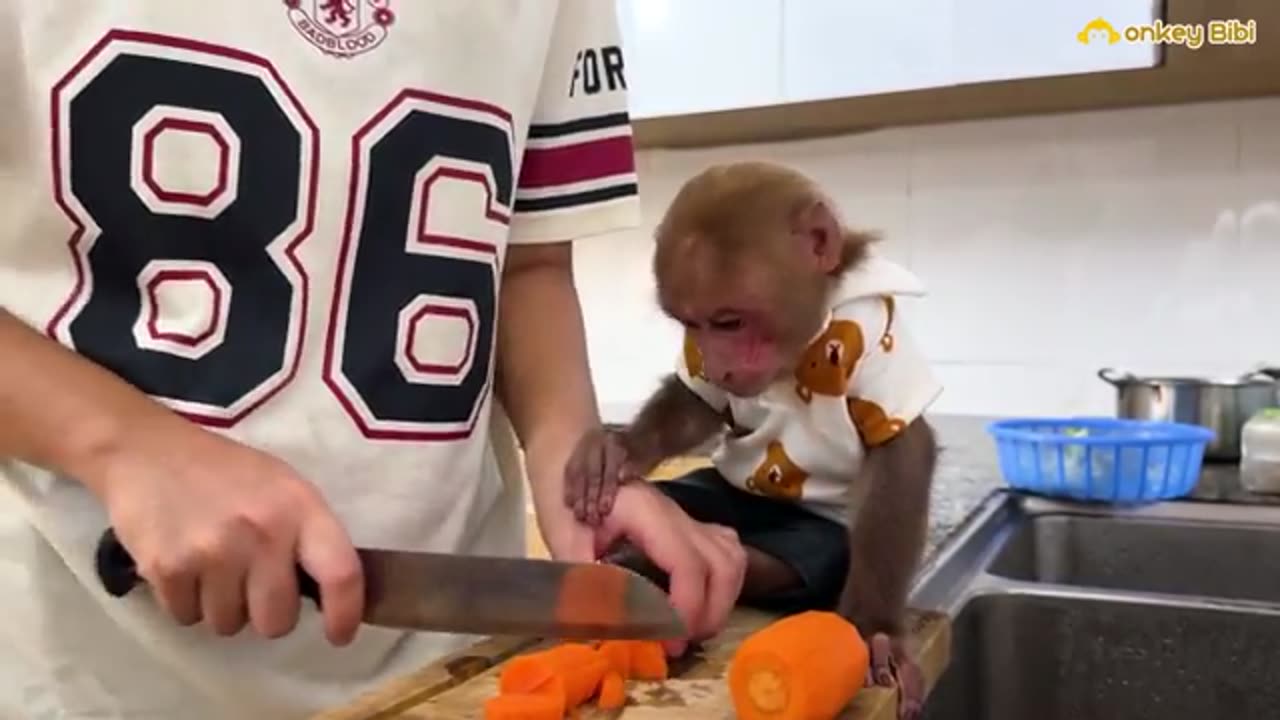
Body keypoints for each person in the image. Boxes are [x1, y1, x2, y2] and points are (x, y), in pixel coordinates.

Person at [0, 2, 746, 718]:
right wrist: (124, 446)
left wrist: (572, 466)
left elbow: (528, 264)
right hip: (84, 666)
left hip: (457, 671)